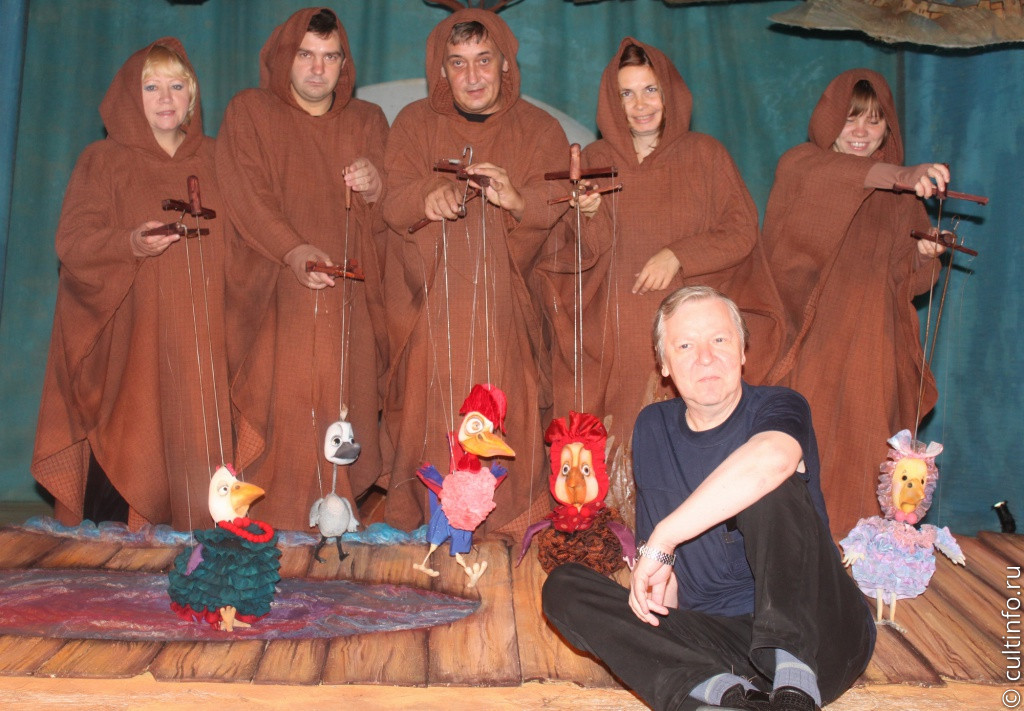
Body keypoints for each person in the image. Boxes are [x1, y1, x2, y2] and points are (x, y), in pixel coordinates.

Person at [542, 286, 875, 711]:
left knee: (768, 485)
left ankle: (794, 691)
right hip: (727, 645)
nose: (705, 357)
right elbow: (666, 577)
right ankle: (724, 696)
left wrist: (665, 536)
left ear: (742, 351)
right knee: (564, 589)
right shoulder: (653, 427)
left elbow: (772, 459)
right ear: (664, 364)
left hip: (820, 635)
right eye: (685, 345)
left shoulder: (779, 405)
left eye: (719, 339)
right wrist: (653, 615)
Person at [534, 39, 785, 522]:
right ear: (613, 101)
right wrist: (589, 214)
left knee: (684, 430)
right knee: (617, 438)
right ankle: (613, 531)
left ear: (669, 92)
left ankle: (689, 527)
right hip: (615, 332)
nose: (641, 104)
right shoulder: (596, 157)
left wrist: (679, 255)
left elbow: (740, 231)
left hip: (684, 337)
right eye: (627, 94)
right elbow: (576, 250)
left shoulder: (705, 154)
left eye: (650, 90)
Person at [379, 8, 569, 534]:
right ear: (440, 70)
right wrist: (428, 195)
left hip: (508, 312)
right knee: (434, 413)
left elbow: (560, 203)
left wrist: (517, 199)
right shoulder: (414, 123)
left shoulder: (540, 129)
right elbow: (392, 201)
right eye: (457, 63)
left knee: (508, 408)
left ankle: (509, 530)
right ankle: (429, 529)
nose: (472, 75)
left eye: (484, 60)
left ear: (505, 63)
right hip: (433, 313)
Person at [32, 39, 232, 531]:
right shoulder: (103, 160)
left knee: (206, 466)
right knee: (128, 452)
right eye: (151, 87)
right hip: (133, 344)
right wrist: (129, 243)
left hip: (204, 346)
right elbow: (73, 240)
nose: (165, 98)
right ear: (129, 95)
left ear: (192, 97)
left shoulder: (219, 159)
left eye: (176, 86)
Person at [216, 7, 389, 530]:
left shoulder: (368, 122)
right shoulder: (250, 112)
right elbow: (247, 197)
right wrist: (294, 252)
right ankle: (274, 522)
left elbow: (394, 212)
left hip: (348, 302)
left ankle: (337, 520)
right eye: (306, 55)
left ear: (345, 64)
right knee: (282, 406)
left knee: (343, 409)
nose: (318, 68)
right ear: (283, 58)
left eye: (330, 57)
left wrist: (376, 186)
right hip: (275, 291)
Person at [761, 68, 949, 537]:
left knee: (865, 443)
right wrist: (902, 174)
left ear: (888, 128)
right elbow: (839, 178)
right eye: (850, 119)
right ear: (829, 121)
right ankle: (794, 547)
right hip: (810, 338)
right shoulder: (803, 165)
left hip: (873, 343)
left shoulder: (902, 197)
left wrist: (926, 254)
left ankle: (860, 549)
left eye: (874, 120)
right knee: (805, 440)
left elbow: (910, 282)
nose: (861, 131)